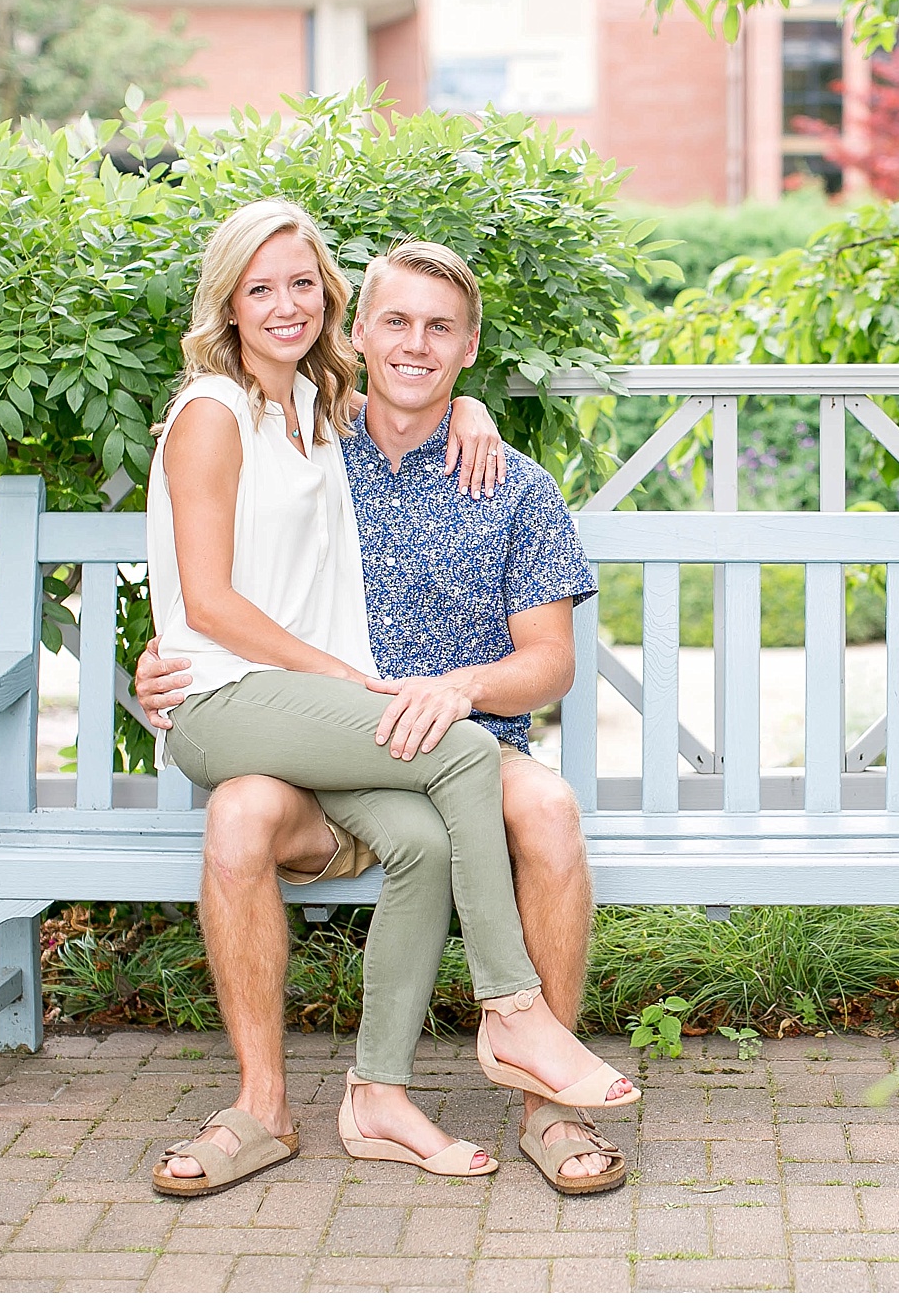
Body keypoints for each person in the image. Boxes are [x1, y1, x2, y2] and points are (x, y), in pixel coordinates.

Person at [143, 201, 631, 1199]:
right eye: (395, 322)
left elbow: (548, 662)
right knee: (237, 812)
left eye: (440, 328)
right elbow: (221, 577)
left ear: (469, 345)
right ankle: (263, 1105)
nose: (416, 344)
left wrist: (453, 686)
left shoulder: (508, 482)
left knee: (542, 802)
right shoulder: (312, 433)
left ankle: (544, 1104)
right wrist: (173, 652)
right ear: (356, 333)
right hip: (308, 738)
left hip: (429, 752)